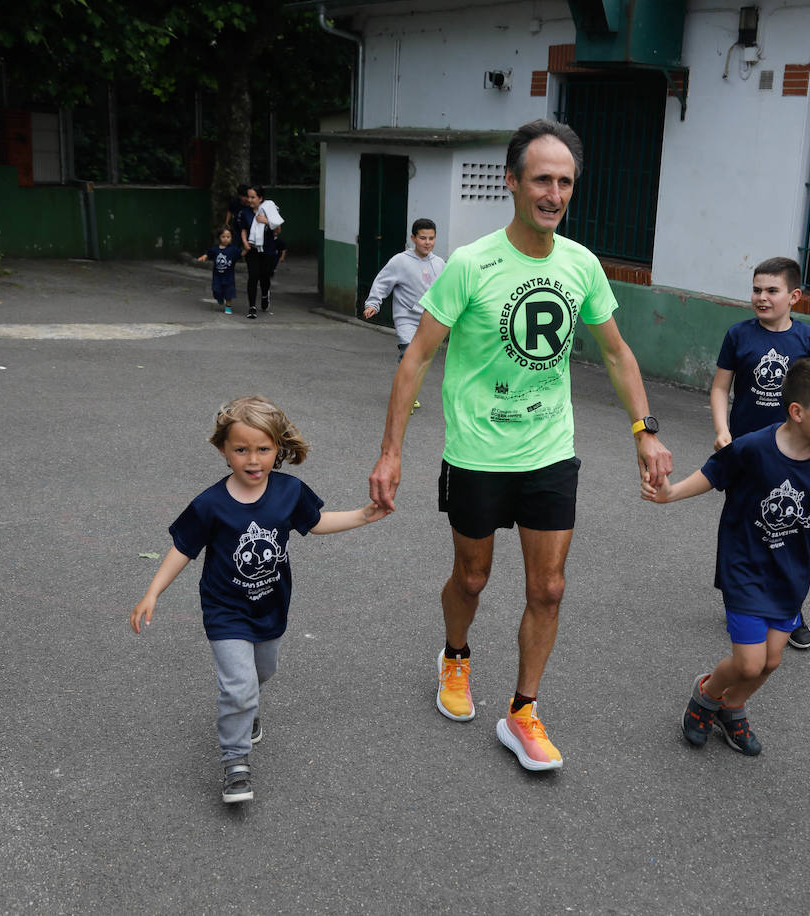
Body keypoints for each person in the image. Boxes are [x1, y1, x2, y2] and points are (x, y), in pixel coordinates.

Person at [368, 119, 673, 772]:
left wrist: (645, 433)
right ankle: (455, 658)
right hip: (477, 453)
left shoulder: (581, 264)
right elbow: (416, 358)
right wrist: (391, 451)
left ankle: (523, 712)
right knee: (473, 577)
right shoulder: (471, 266)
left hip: (549, 452)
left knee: (550, 588)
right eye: (542, 179)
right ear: (512, 182)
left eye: (565, 182)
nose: (554, 193)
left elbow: (616, 354)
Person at [130, 396, 388, 803]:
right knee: (238, 685)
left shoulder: (290, 492)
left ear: (278, 449)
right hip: (225, 610)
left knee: (261, 673)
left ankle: (246, 706)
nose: (253, 459)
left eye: (263, 449)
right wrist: (152, 592)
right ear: (223, 451)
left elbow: (316, 523)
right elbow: (183, 548)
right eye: (241, 449)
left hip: (270, 606)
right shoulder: (210, 504)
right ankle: (235, 764)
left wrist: (363, 514)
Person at [643, 359, 810, 757]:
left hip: (790, 576)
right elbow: (713, 474)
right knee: (748, 663)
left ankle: (733, 708)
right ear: (797, 412)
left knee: (771, 661)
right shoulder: (754, 448)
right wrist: (670, 493)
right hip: (744, 568)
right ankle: (706, 695)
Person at [710, 256, 810, 652]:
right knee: (742, 523)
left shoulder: (809, 341)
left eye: (771, 291)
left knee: (788, 529)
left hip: (794, 453)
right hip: (745, 451)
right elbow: (720, 389)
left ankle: (789, 609)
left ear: (793, 296)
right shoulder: (738, 335)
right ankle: (740, 599)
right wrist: (723, 431)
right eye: (757, 290)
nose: (762, 297)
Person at [362, 218, 446, 411]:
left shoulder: (440, 263)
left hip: (429, 321)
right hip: (407, 318)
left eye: (431, 238)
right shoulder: (400, 261)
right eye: (423, 238)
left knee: (421, 360)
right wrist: (374, 303)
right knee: (409, 355)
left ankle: (410, 392)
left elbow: (446, 291)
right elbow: (383, 282)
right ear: (413, 238)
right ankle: (404, 397)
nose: (427, 242)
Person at [242, 186, 283, 320]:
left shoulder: (269, 210)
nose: (250, 200)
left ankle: (265, 294)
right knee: (253, 276)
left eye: (253, 197)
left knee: (264, 276)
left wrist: (266, 221)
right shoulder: (245, 213)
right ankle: (252, 307)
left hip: (268, 249)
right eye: (248, 197)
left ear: (260, 198)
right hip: (252, 249)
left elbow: (278, 230)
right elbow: (243, 229)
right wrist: (245, 243)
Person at [196, 226, 242, 315]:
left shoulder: (233, 249)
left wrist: (246, 250)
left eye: (228, 237)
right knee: (216, 291)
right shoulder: (215, 249)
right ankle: (220, 298)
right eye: (223, 237)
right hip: (217, 276)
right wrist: (204, 256)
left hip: (229, 276)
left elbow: (240, 254)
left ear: (231, 238)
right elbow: (209, 253)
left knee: (229, 292)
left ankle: (228, 307)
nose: (226, 239)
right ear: (219, 238)